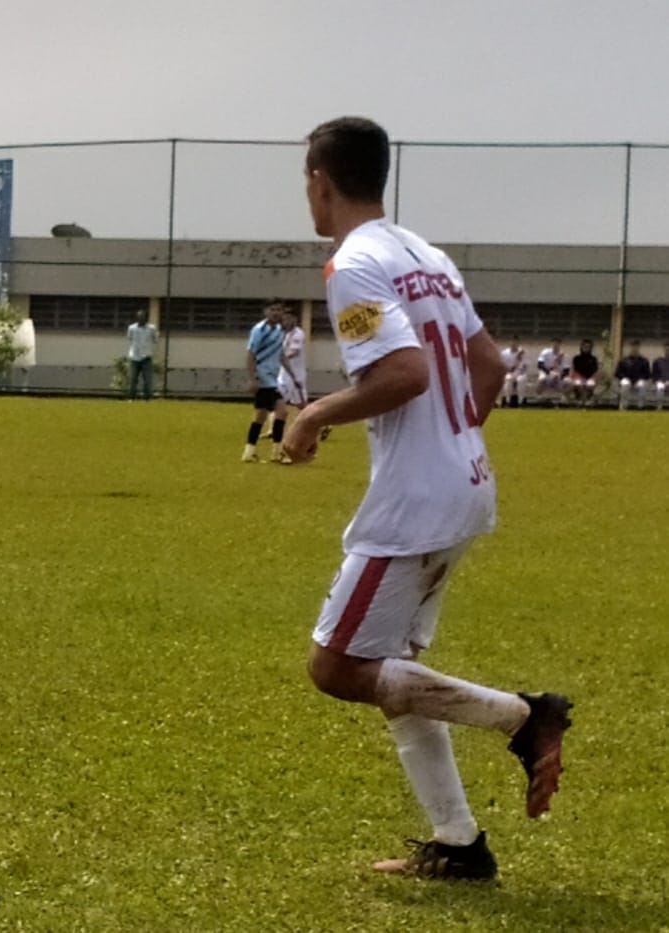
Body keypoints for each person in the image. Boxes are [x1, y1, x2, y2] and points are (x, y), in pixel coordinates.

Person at [282, 117, 571, 881]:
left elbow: (404, 372)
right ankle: (457, 843)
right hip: (463, 485)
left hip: (416, 501)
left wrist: (312, 413)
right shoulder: (427, 256)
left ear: (319, 181)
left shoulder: (350, 264)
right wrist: (451, 441)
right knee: (394, 671)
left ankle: (523, 716)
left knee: (335, 667)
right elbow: (486, 366)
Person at [242, 301, 286, 462]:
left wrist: (292, 373)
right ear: (265, 311)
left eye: (279, 310)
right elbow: (250, 355)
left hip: (273, 378)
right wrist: (253, 379)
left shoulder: (280, 330)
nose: (275, 312)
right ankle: (276, 452)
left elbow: (280, 354)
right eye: (272, 309)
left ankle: (251, 452)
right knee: (278, 413)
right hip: (264, 377)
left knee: (264, 415)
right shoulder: (259, 330)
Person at [124, 310, 157, 400]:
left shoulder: (152, 328)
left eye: (143, 317)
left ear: (146, 318)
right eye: (139, 317)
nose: (141, 319)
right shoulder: (131, 328)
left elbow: (155, 339)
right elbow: (129, 338)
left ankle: (147, 398)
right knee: (133, 379)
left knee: (147, 380)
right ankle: (131, 398)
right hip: (134, 357)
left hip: (146, 357)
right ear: (136, 318)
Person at [614, 338, 652, 411]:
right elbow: (618, 373)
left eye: (636, 346)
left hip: (638, 381)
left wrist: (641, 379)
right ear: (630, 347)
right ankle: (623, 406)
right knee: (625, 384)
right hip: (627, 380)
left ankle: (640, 406)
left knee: (642, 385)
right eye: (633, 346)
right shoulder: (623, 360)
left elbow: (647, 374)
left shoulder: (644, 360)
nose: (635, 348)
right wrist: (624, 378)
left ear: (639, 347)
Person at [534, 338, 567, 403]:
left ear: (560, 344)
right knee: (542, 379)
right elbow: (539, 365)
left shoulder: (562, 355)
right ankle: (538, 396)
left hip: (557, 372)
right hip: (545, 371)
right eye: (554, 343)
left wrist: (560, 376)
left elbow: (566, 369)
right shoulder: (545, 352)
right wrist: (549, 372)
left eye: (557, 343)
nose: (555, 345)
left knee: (568, 382)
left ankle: (564, 397)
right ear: (551, 344)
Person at [499, 335, 528, 408]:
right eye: (512, 341)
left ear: (518, 343)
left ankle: (521, 402)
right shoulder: (504, 353)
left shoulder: (523, 352)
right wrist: (509, 370)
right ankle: (508, 402)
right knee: (508, 379)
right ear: (510, 342)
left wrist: (521, 369)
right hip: (510, 372)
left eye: (516, 342)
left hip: (520, 372)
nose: (514, 343)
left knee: (521, 380)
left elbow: (526, 365)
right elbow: (503, 366)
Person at [569, 339, 599, 403]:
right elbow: (574, 370)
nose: (586, 348)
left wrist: (592, 378)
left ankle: (588, 398)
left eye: (588, 347)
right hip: (579, 377)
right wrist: (577, 377)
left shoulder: (593, 359)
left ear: (590, 348)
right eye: (585, 346)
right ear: (581, 347)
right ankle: (579, 398)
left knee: (591, 383)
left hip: (590, 377)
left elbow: (595, 370)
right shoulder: (576, 358)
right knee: (578, 383)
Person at [653, 341, 669, 410]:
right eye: (667, 349)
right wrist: (660, 381)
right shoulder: (658, 361)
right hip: (661, 382)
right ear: (664, 349)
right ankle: (659, 407)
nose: (668, 351)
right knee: (660, 387)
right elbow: (654, 374)